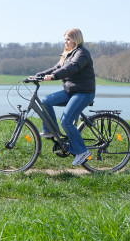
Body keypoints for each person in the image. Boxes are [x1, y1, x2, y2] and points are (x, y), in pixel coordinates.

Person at [35, 28, 95, 166]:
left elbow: (72, 67)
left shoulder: (82, 53)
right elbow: (56, 68)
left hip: (83, 92)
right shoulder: (67, 54)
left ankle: (82, 152)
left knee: (66, 121)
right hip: (71, 92)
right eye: (65, 39)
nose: (66, 42)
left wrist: (54, 76)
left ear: (76, 40)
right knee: (46, 101)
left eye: (68, 39)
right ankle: (51, 131)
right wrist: (38, 75)